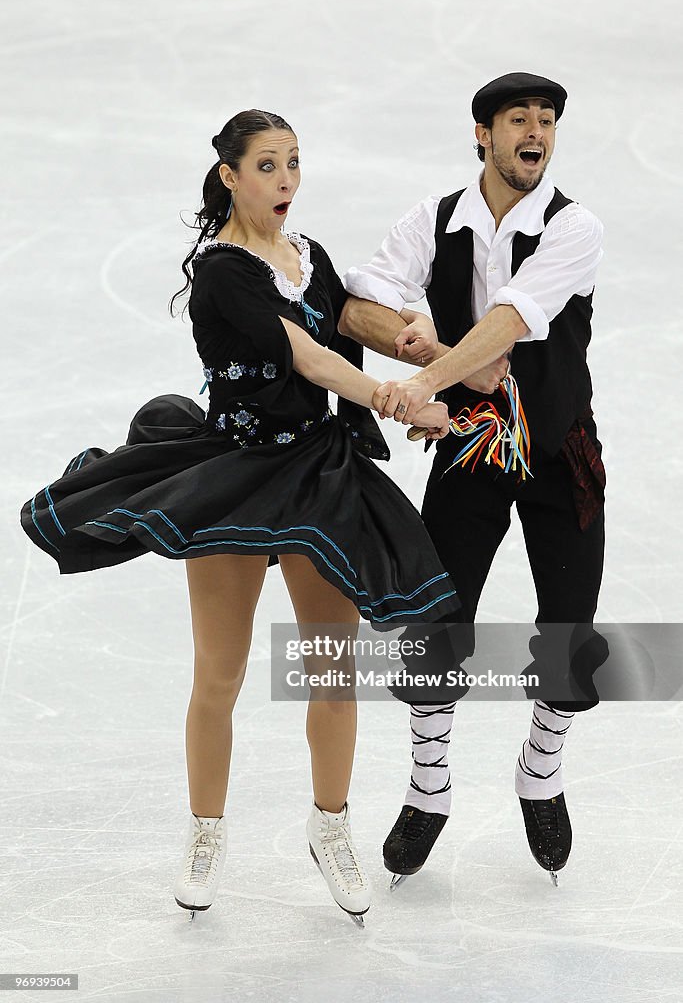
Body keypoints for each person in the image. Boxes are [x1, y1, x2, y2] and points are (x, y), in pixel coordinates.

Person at [20, 109, 457, 925]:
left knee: (331, 669)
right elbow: (309, 354)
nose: (285, 179)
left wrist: (418, 341)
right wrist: (393, 398)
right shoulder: (222, 269)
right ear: (229, 175)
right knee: (219, 674)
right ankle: (205, 830)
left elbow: (353, 317)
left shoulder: (309, 255)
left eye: (293, 162)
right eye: (266, 165)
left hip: (319, 473)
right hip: (235, 472)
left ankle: (330, 828)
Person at [340, 73, 607, 887]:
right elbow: (357, 307)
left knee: (568, 629)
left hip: (559, 453)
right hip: (469, 446)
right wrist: (425, 351)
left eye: (547, 121)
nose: (537, 132)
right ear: (482, 136)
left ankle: (540, 774)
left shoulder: (574, 227)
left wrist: (423, 378)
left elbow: (512, 320)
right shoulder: (434, 219)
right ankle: (428, 790)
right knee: (434, 622)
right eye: (518, 120)